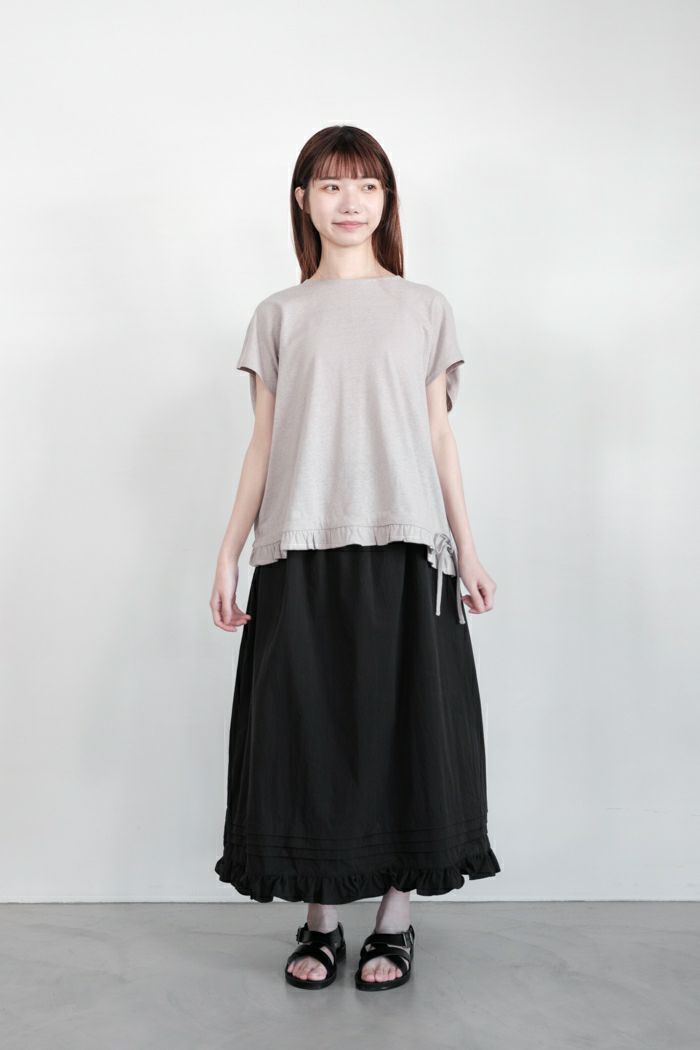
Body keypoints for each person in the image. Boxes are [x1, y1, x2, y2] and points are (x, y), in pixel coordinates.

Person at [211, 124, 501, 992]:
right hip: (298, 544)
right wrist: (228, 552)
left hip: (407, 545)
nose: (350, 202)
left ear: (386, 201)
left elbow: (439, 438)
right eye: (332, 185)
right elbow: (263, 443)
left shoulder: (424, 308)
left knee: (404, 727)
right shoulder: (279, 315)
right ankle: (321, 920)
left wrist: (470, 551)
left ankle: (395, 920)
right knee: (306, 730)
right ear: (303, 200)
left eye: (367, 185)